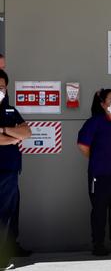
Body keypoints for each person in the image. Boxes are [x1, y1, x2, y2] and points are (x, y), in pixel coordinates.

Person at [77, 88, 111, 256]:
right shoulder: (95, 122)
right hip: (100, 175)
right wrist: (98, 158)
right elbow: (83, 146)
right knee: (99, 210)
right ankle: (98, 244)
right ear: (103, 104)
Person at [0, 70, 31, 270]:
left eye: (1, 87)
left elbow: (27, 132)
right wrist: (14, 137)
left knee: (6, 214)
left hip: (9, 171)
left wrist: (3, 130)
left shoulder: (10, 110)